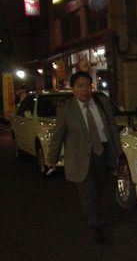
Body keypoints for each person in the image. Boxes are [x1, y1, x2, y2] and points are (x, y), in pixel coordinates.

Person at [46, 71, 122, 243]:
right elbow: (58, 136)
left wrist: (117, 152)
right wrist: (52, 158)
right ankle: (95, 226)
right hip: (80, 157)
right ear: (72, 89)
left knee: (100, 188)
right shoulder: (67, 110)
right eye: (80, 86)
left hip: (101, 153)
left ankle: (94, 215)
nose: (85, 90)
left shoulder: (102, 103)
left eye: (87, 85)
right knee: (87, 191)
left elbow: (111, 127)